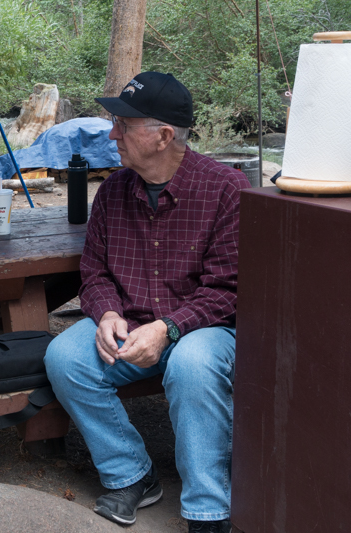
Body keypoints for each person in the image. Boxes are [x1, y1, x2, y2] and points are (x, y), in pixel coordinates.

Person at [45, 72, 249, 533]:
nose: (112, 133)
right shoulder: (114, 190)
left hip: (205, 330)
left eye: (124, 124)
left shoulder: (226, 189)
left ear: (163, 136)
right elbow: (94, 272)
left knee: (192, 365)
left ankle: (208, 509)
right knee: (66, 356)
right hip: (133, 321)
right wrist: (108, 313)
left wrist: (168, 329)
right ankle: (132, 474)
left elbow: (227, 291)